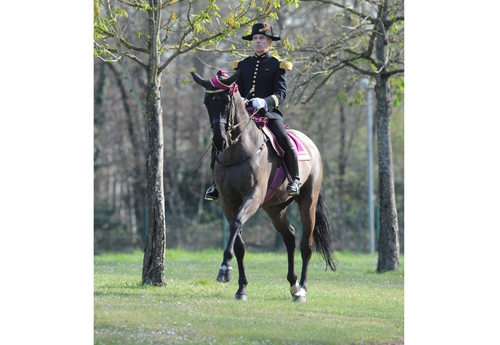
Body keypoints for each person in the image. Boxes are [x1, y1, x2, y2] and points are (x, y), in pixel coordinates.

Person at [205, 22, 300, 201]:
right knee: (218, 140)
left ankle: (295, 179)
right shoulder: (243, 65)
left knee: (284, 139)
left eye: (261, 38)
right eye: (255, 38)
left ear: (270, 42)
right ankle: (215, 184)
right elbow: (236, 91)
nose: (257, 41)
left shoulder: (277, 65)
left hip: (268, 114)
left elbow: (281, 93)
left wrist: (265, 102)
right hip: (244, 114)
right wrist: (242, 100)